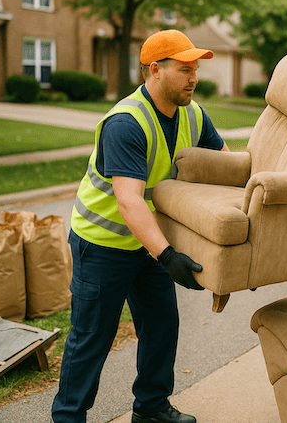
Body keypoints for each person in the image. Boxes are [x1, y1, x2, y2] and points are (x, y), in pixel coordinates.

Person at [52, 29, 229, 423]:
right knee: (92, 338)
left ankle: (151, 408)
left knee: (162, 325)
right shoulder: (126, 123)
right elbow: (129, 200)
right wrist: (167, 256)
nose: (194, 77)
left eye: (195, 68)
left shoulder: (193, 114)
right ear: (155, 70)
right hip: (102, 243)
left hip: (147, 243)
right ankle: (68, 418)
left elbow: (227, 164)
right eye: (184, 69)